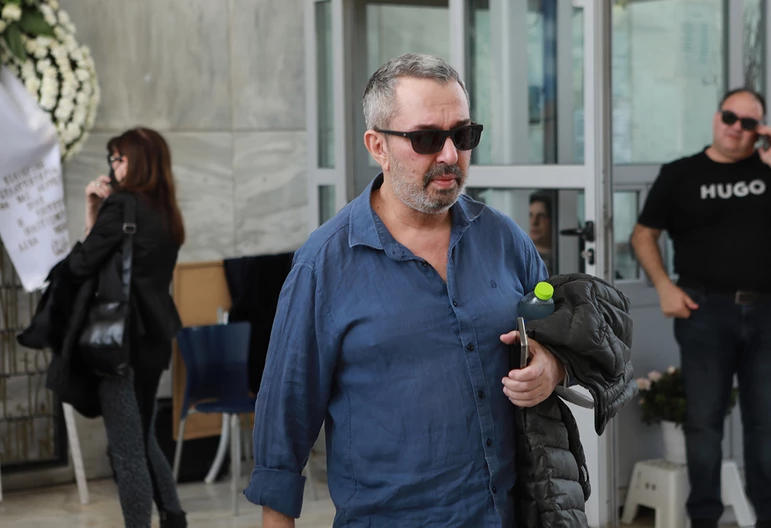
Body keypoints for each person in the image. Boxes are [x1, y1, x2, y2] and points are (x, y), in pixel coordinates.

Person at [244, 53, 569, 527]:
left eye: (462, 135)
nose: (450, 155)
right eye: (426, 139)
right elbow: (286, 412)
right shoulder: (323, 265)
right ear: (377, 145)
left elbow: (560, 335)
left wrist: (553, 367)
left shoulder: (504, 239)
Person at [630, 88, 771, 528]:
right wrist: (664, 287)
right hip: (705, 313)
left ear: (760, 129)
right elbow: (643, 234)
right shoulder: (681, 174)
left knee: (766, 421)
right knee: (703, 422)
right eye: (730, 117)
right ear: (717, 117)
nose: (736, 128)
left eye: (748, 122)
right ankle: (704, 516)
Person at [68, 128, 188, 528]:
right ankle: (173, 516)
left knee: (126, 450)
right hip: (154, 340)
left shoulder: (121, 206)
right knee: (143, 437)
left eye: (118, 158)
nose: (112, 167)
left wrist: (92, 211)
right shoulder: (166, 212)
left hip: (118, 342)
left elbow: (81, 264)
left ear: (139, 162)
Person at [529, 190, 554, 274]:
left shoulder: (568, 257)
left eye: (541, 216)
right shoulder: (524, 257)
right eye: (530, 216)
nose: (534, 222)